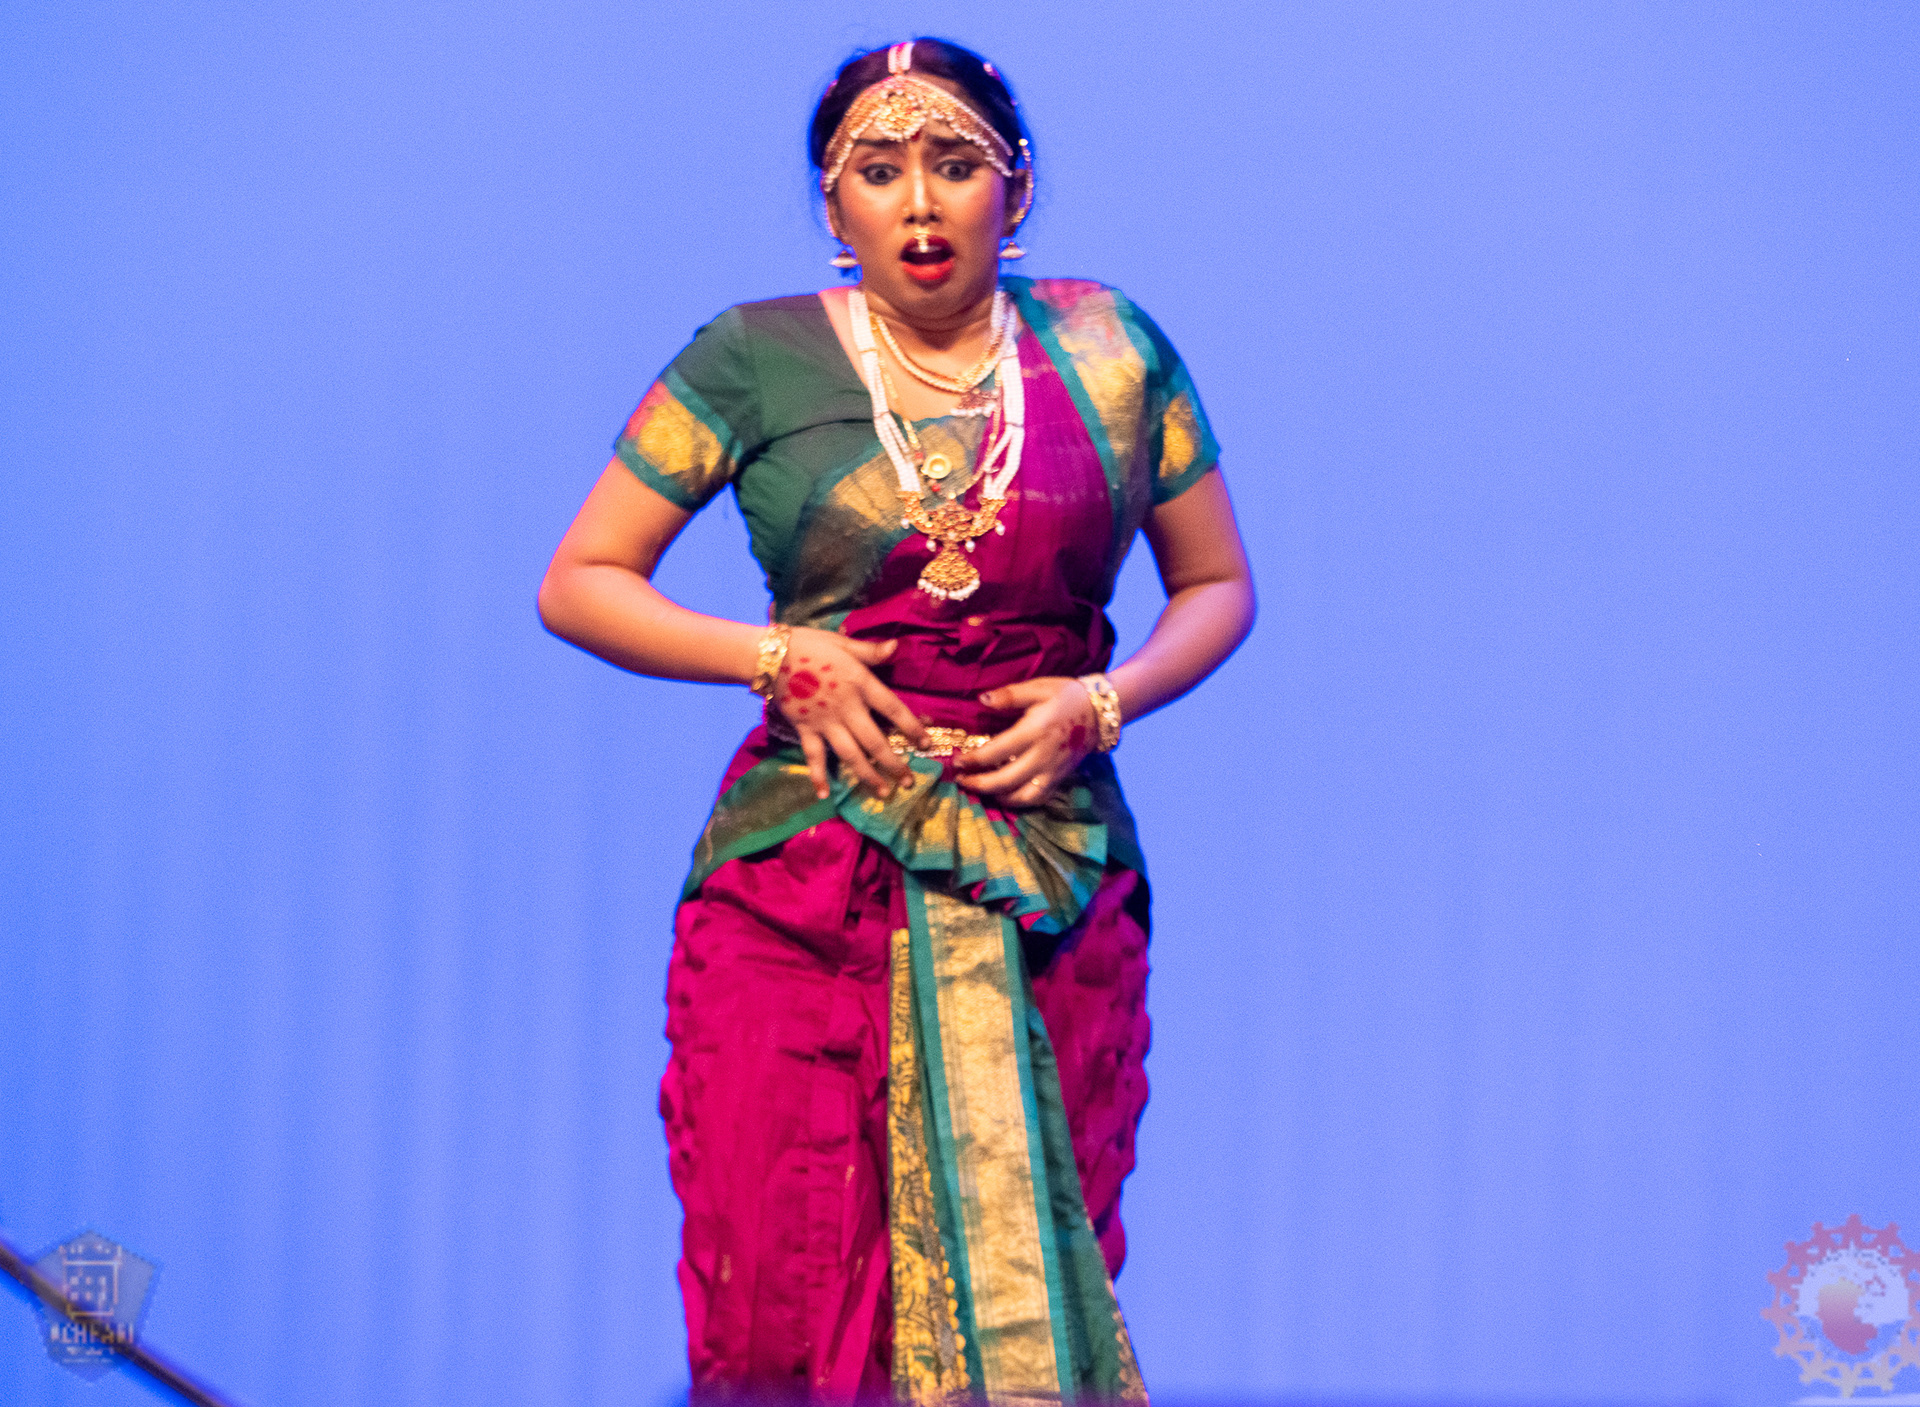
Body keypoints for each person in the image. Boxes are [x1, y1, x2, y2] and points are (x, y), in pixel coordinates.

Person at [538, 36, 1254, 1403]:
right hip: (804, 879)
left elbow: (1217, 586)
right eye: (878, 171)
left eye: (955, 165)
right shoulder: (755, 357)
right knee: (783, 1284)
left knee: (1032, 1295)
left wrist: (1104, 703)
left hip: (1049, 877)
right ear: (835, 204)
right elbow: (581, 582)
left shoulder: (1110, 350)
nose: (919, 203)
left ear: (1016, 190)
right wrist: (772, 659)